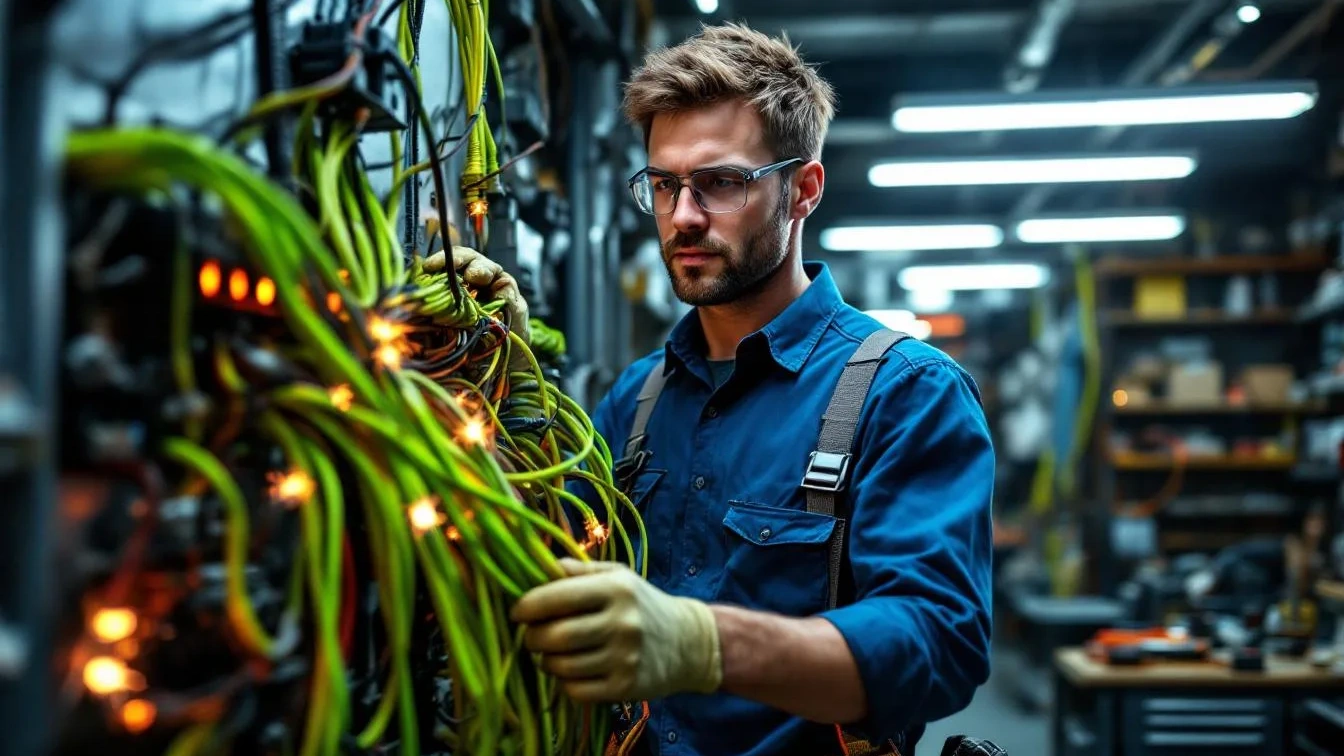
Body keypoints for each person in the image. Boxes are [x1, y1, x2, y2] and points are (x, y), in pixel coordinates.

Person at [436, 22, 994, 756]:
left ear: (803, 190)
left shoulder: (906, 393)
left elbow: (936, 642)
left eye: (721, 182)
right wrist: (496, 369)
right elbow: (543, 551)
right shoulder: (636, 403)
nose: (684, 216)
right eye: (664, 186)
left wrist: (705, 645)